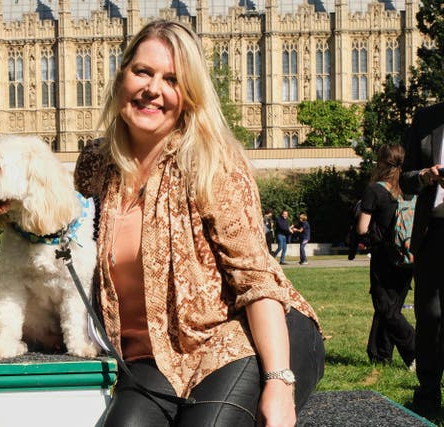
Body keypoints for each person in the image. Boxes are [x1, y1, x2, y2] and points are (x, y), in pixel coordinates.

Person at [74, 19, 324, 427]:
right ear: (121, 76)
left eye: (171, 79)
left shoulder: (212, 163)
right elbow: (67, 251)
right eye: (142, 71)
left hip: (240, 336)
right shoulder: (95, 166)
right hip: (155, 355)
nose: (152, 88)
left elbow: (256, 279)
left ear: (189, 95)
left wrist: (279, 382)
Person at [400, 101, 444, 416]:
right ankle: (428, 394)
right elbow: (405, 180)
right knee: (429, 317)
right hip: (435, 231)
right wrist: (425, 176)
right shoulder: (426, 119)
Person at [356, 144, 415, 373]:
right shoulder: (409, 187)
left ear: (381, 162)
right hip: (408, 253)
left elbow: (363, 228)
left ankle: (416, 351)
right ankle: (379, 354)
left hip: (384, 255)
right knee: (391, 307)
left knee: (385, 307)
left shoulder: (375, 190)